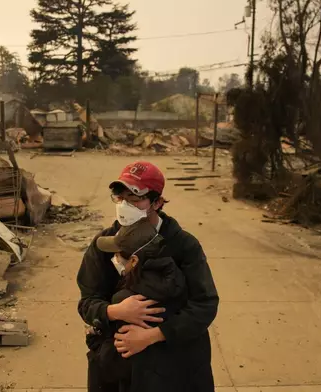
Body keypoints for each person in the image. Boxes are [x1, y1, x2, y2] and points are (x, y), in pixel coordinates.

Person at [77, 161, 219, 392]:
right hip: (120, 367)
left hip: (175, 366)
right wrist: (115, 311)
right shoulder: (104, 244)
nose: (124, 206)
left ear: (157, 202)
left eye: (134, 199)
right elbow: (88, 301)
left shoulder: (183, 245)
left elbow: (204, 305)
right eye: (120, 198)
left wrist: (153, 335)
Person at [86, 218, 187, 390]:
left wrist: (94, 340)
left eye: (117, 254)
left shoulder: (128, 301)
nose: (115, 258)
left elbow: (114, 361)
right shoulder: (178, 282)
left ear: (133, 261)